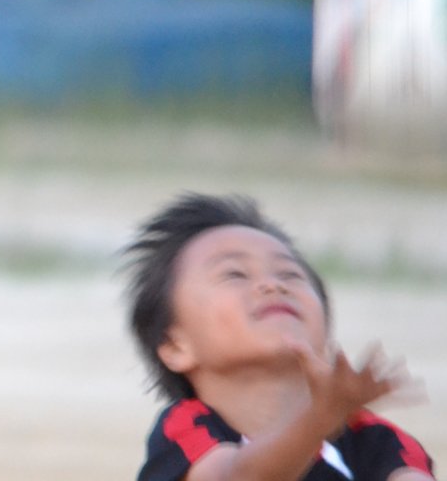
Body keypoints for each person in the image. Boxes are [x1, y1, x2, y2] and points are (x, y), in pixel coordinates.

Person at [124, 192, 434, 481]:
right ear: (176, 346)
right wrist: (320, 418)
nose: (273, 286)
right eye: (235, 274)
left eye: (290, 274)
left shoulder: (379, 441)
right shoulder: (186, 428)